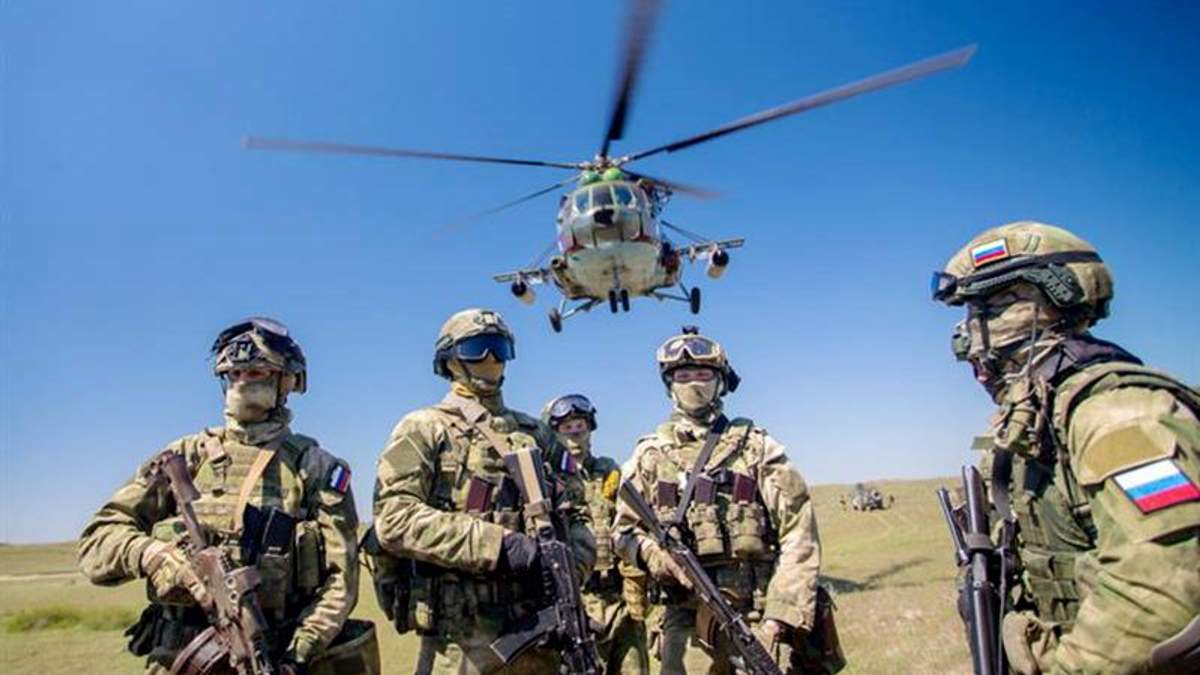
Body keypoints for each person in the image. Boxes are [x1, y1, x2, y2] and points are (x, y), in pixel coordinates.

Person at [931, 221, 1200, 674]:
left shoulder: (1117, 413)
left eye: (993, 307)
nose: (968, 336)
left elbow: (1165, 584)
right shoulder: (1027, 425)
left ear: (1057, 300)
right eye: (970, 314)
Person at [78, 317, 378, 674]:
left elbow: (341, 583)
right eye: (234, 374)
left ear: (286, 381)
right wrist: (151, 555)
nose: (242, 381)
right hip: (181, 658)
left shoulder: (316, 467)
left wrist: (297, 655)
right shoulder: (184, 456)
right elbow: (97, 542)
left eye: (256, 372)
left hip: (271, 655)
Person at [371, 308, 596, 674]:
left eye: (499, 348)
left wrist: (568, 573)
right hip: (459, 641)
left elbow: (579, 515)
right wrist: (500, 546)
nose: (491, 359)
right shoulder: (424, 428)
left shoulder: (537, 435)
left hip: (541, 628)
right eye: (477, 349)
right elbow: (394, 519)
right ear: (450, 360)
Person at [613, 327, 835, 674]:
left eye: (703, 374)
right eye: (682, 375)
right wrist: (656, 557)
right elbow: (624, 533)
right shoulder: (649, 456)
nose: (693, 383)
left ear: (721, 381)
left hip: (755, 618)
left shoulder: (756, 447)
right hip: (683, 625)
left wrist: (777, 619)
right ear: (669, 384)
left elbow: (799, 533)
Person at [543, 394, 650, 675]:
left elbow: (631, 526)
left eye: (580, 426)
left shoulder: (609, 472)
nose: (574, 433)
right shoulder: (547, 479)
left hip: (619, 598)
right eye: (566, 427)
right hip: (576, 601)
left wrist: (636, 582)